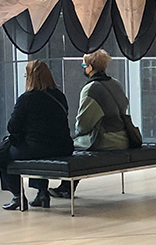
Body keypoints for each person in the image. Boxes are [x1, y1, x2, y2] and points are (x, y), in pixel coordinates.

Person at [49, 49, 131, 199]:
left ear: (91, 67)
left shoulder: (91, 89)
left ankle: (65, 187)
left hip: (107, 139)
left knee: (70, 146)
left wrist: (76, 133)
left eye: (83, 65)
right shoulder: (116, 84)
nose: (83, 68)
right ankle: (66, 188)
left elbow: (83, 124)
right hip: (125, 137)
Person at [0, 60, 74, 210]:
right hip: (63, 147)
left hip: (37, 147)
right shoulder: (59, 95)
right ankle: (42, 193)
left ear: (30, 77)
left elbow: (12, 127)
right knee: (31, 149)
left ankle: (17, 195)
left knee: (2, 155)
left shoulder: (26, 98)